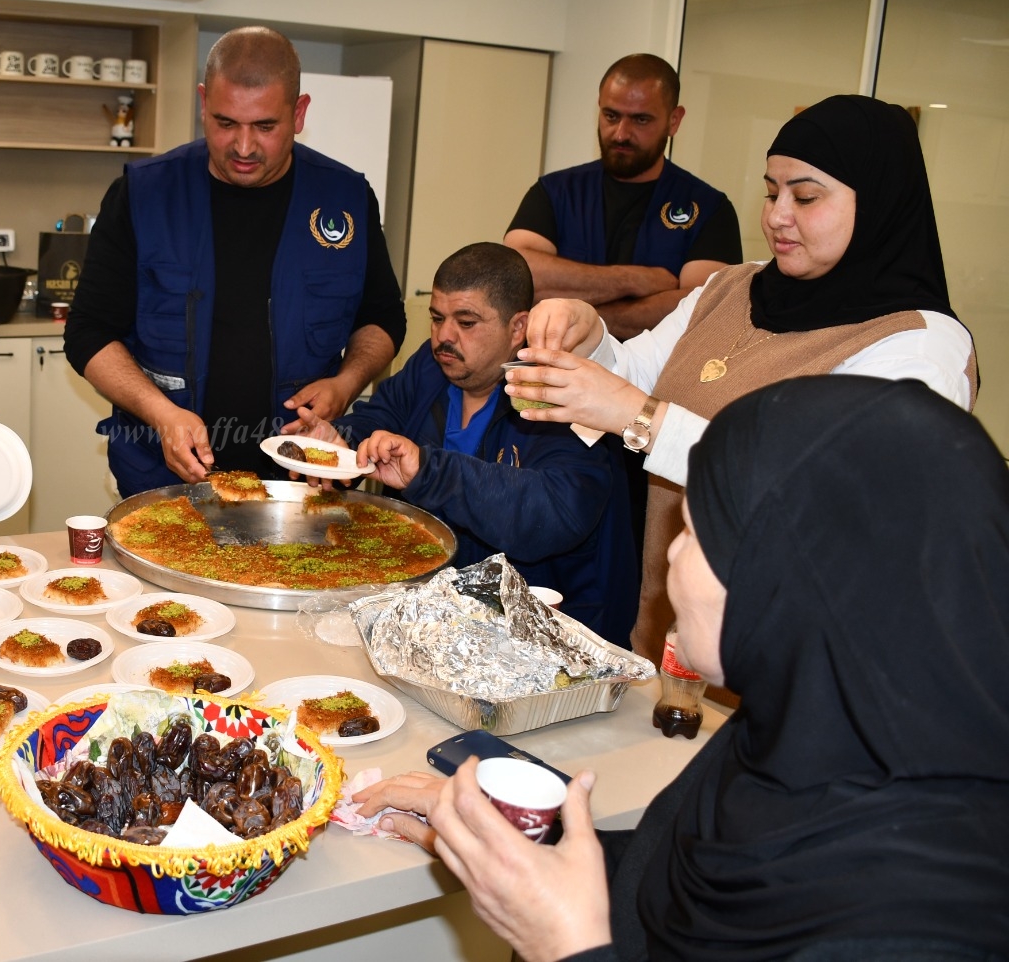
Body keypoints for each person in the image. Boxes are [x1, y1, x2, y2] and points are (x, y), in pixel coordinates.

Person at [356, 375, 1009, 961]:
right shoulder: (787, 746)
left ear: (786, 579)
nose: (669, 557)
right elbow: (663, 881)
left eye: (694, 534)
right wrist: (510, 834)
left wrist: (567, 946)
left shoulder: (916, 924)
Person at [511, 94, 976, 660]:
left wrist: (639, 418)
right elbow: (638, 375)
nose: (777, 215)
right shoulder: (733, 288)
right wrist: (591, 341)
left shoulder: (917, 346)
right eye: (771, 192)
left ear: (878, 203)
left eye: (805, 196)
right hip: (671, 633)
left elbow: (824, 496)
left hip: (795, 660)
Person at [64, 26, 407, 497]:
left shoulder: (345, 198)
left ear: (299, 112)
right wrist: (161, 413)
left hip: (299, 477)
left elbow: (382, 318)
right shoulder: (144, 194)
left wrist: (345, 384)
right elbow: (88, 332)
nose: (243, 148)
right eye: (226, 123)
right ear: (203, 103)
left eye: (265, 127)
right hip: (164, 477)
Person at [283, 243, 637, 645]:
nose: (443, 337)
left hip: (549, 639)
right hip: (438, 624)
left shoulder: (558, 391)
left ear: (518, 327)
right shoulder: (433, 367)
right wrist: (341, 442)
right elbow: (381, 420)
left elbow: (552, 514)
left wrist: (428, 471)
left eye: (466, 322)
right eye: (437, 318)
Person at [504, 54, 742, 341]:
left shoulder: (708, 209)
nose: (621, 133)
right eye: (611, 116)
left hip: (655, 383)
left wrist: (578, 317)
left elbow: (698, 310)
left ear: (674, 120)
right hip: (553, 374)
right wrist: (637, 280)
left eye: (641, 119)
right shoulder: (555, 191)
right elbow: (517, 278)